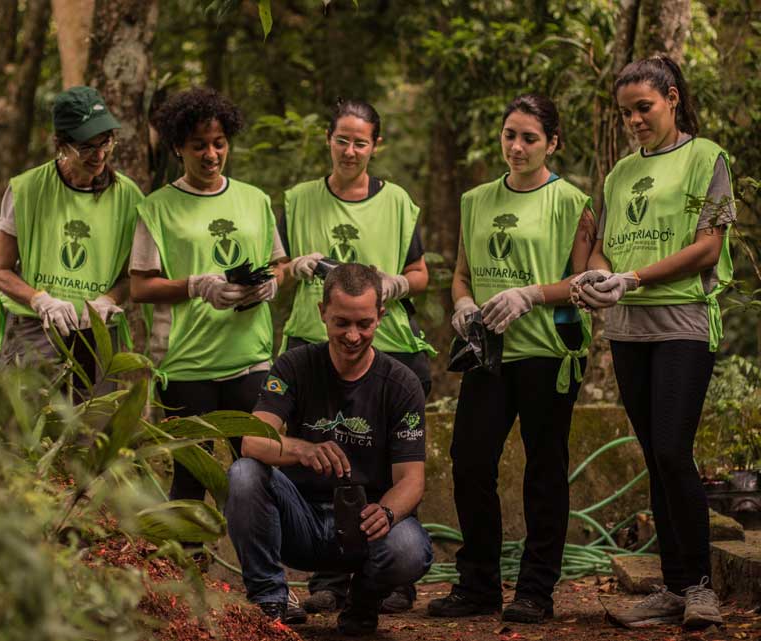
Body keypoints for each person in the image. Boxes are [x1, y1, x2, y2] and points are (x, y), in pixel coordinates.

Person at [573, 56, 733, 631]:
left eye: (644, 107)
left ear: (670, 98)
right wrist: (597, 275)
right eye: (626, 113)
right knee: (655, 460)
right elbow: (605, 248)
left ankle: (699, 589)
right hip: (628, 329)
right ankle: (672, 587)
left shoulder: (707, 158)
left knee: (672, 449)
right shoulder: (618, 174)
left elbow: (708, 246)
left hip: (683, 323)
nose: (635, 120)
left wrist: (635, 278)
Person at [427, 94, 596, 623]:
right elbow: (461, 272)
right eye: (509, 135)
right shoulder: (476, 198)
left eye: (529, 138)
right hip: (487, 352)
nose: (516, 146)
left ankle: (536, 590)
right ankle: (477, 583)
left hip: (548, 351)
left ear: (552, 143)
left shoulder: (573, 201)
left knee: (543, 470)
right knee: (471, 460)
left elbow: (586, 281)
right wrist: (462, 304)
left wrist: (530, 294)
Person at [281, 98, 435, 614]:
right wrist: (292, 265)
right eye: (342, 139)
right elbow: (274, 270)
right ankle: (330, 578)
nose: (351, 150)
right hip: (312, 344)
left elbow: (420, 273)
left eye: (361, 141)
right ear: (327, 139)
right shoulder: (299, 198)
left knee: (386, 465)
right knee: (325, 460)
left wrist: (396, 283)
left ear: (376, 145)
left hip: (387, 354)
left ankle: (392, 577)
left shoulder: (396, 202)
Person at [225, 263, 433, 636]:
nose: (353, 335)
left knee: (410, 548)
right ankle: (269, 599)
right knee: (244, 472)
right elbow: (251, 440)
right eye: (341, 323)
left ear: (380, 317)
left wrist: (385, 513)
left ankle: (363, 602)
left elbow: (412, 481)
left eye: (364, 324)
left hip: (363, 525)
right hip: (299, 519)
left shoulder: (401, 384)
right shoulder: (294, 366)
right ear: (322, 313)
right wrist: (302, 450)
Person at [129, 87, 285, 502]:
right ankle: (189, 563)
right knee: (191, 474)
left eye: (219, 144)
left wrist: (271, 284)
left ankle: (258, 565)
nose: (211, 155)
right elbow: (140, 286)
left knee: (254, 472)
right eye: (199, 146)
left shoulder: (254, 199)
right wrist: (195, 286)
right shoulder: (157, 207)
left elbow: (279, 263)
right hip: (186, 363)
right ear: (179, 148)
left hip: (249, 358)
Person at [0, 86, 142, 396]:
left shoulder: (128, 197)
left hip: (96, 333)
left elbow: (133, 277)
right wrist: (40, 300)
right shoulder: (27, 189)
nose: (99, 156)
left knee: (90, 435)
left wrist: (108, 300)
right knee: (29, 431)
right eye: (86, 147)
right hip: (35, 329)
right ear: (61, 144)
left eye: (105, 143)